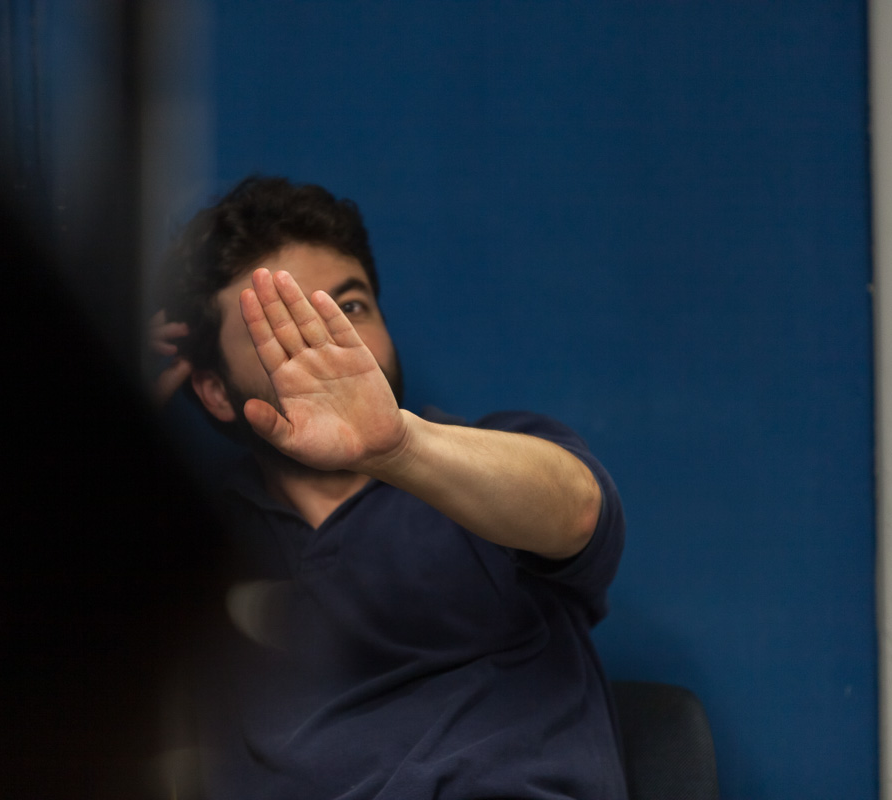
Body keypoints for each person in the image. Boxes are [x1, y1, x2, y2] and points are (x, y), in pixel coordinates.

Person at [153, 176, 627, 799]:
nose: (335, 341)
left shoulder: (484, 456)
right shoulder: (190, 541)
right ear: (216, 391)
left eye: (350, 308)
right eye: (283, 323)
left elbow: (578, 509)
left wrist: (400, 448)